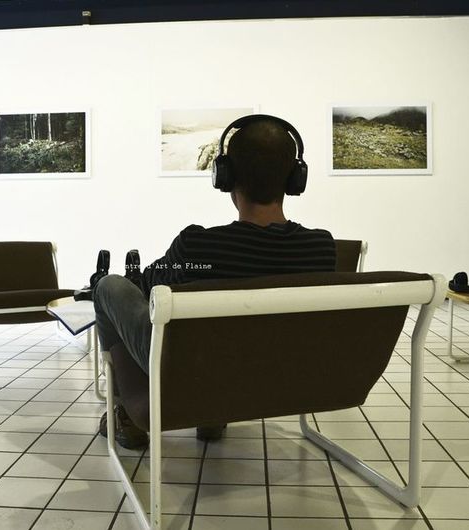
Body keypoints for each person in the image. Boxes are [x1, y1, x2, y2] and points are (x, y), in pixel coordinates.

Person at [94, 115, 336, 449]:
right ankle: (210, 417)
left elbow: (147, 289)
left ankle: (123, 411)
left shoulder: (196, 245)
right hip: (277, 382)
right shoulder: (321, 248)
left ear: (225, 176)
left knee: (110, 286)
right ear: (295, 179)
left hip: (194, 378)